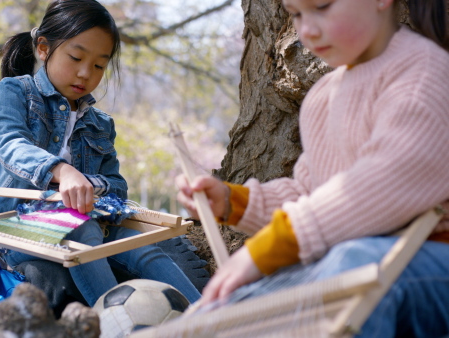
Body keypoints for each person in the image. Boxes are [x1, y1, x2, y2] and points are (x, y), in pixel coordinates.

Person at [177, 0, 449, 336]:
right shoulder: (323, 97)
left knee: (351, 265)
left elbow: (369, 192)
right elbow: (314, 195)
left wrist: (267, 249)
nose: (307, 30)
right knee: (229, 306)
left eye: (322, 6)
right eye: (297, 13)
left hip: (432, 255)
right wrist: (234, 201)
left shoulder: (426, 74)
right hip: (367, 259)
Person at [0, 0, 200, 308]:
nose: (86, 73)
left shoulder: (100, 123)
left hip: (79, 227)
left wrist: (89, 184)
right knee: (81, 225)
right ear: (43, 48)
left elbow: (116, 185)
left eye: (99, 65)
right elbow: (10, 145)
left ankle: (210, 317)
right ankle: (112, 325)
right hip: (4, 229)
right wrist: (62, 173)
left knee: (142, 245)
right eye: (76, 57)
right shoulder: (15, 92)